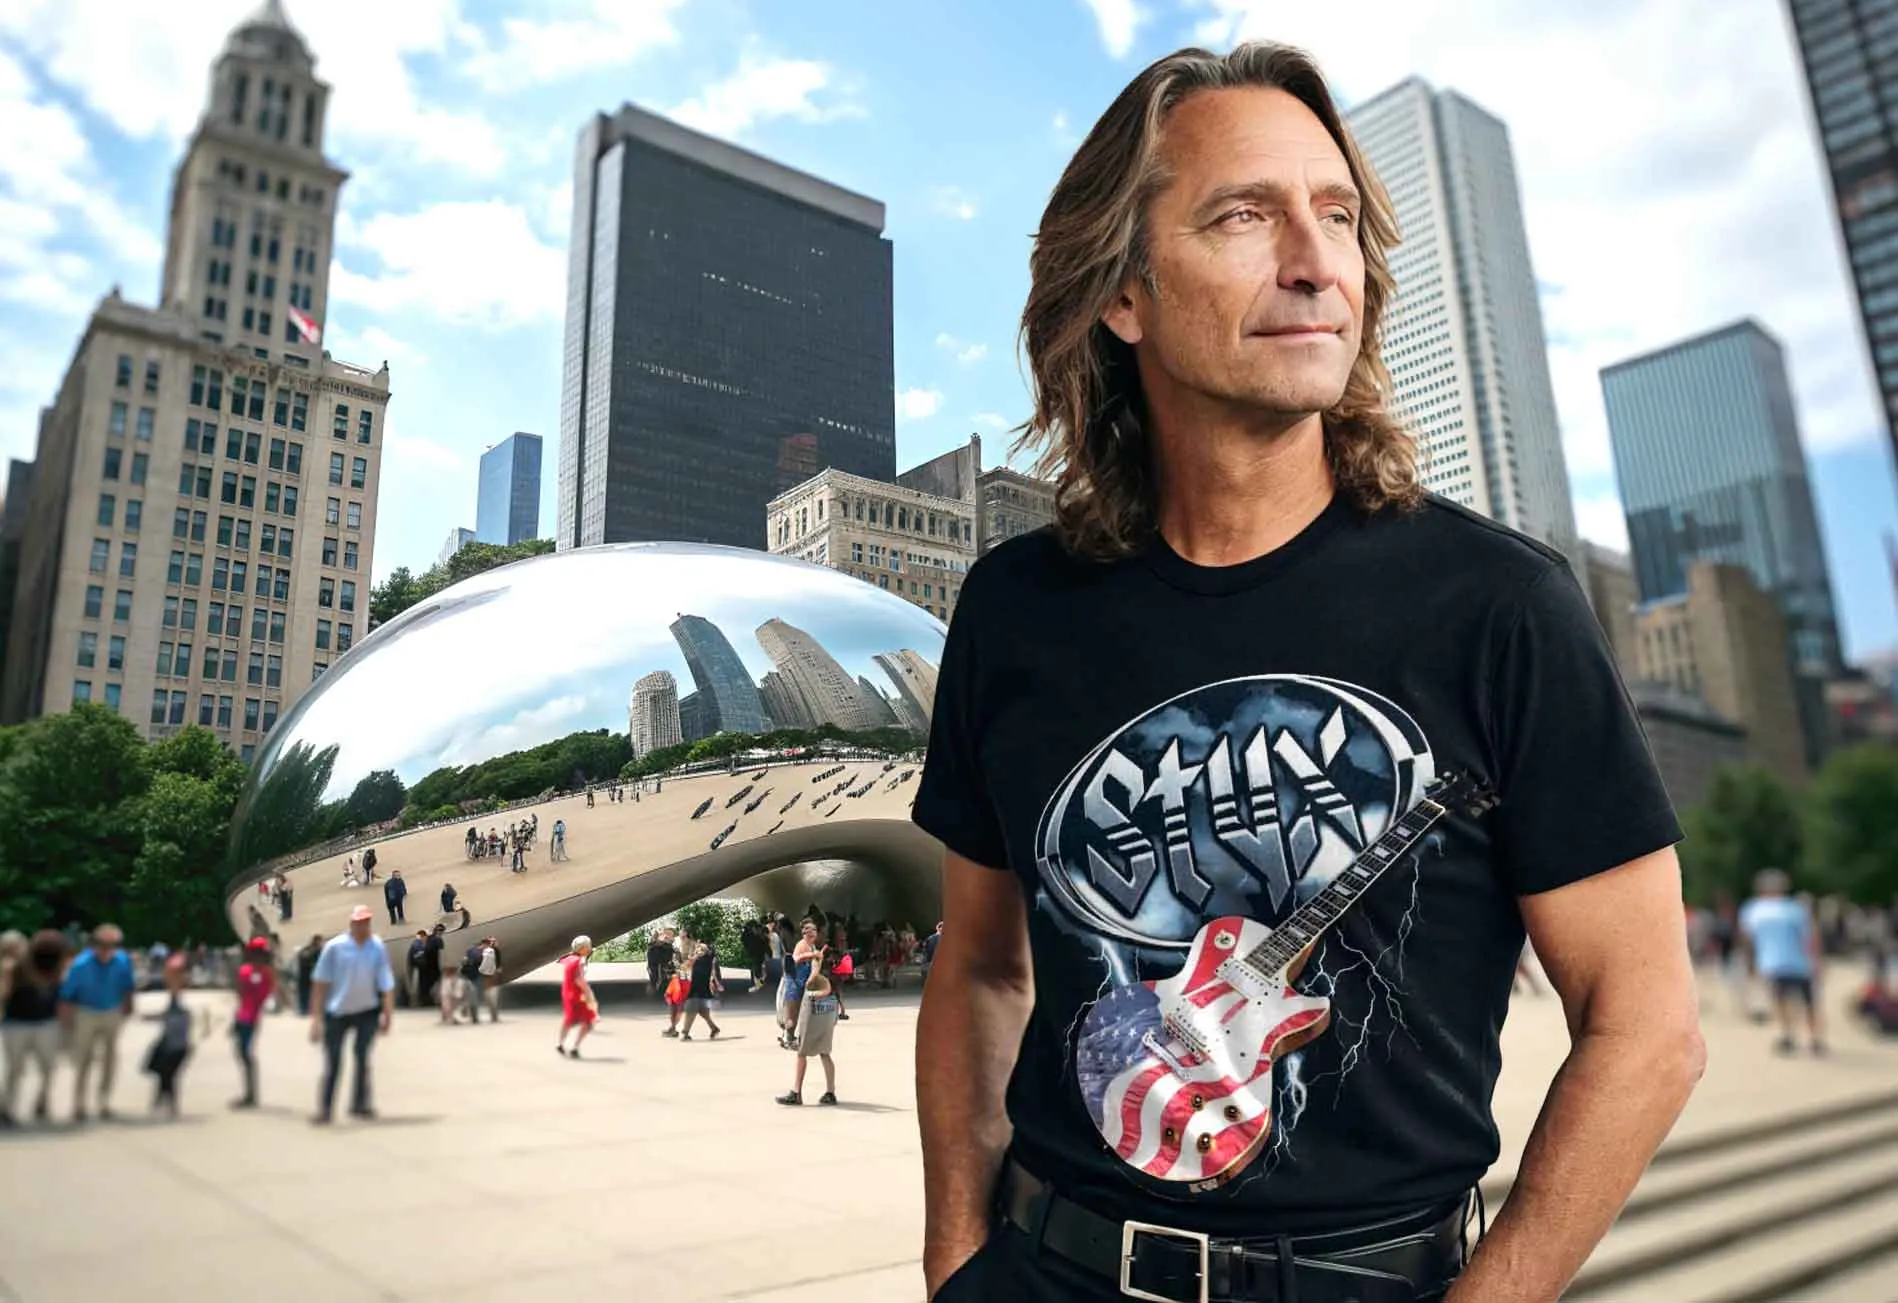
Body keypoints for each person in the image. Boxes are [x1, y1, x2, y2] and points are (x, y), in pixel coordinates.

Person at [910, 43, 1705, 1303]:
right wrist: (955, 1252)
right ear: (1122, 293)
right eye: (1243, 214)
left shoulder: (1497, 604)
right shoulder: (1014, 609)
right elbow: (982, 965)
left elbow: (1647, 1023)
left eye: (1333, 216)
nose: (1314, 260)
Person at [307, 904, 396, 1124]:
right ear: (351, 923)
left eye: (366, 921)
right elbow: (320, 983)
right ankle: (326, 1109)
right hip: (337, 1012)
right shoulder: (334, 947)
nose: (363, 926)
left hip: (367, 1010)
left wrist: (387, 1014)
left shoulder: (376, 946)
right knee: (334, 1061)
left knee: (362, 1058)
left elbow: (386, 982)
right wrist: (316, 1020)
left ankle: (359, 1104)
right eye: (359, 922)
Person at [1740, 869, 1826, 1056]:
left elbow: (1748, 940)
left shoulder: (1753, 910)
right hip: (1801, 963)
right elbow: (1810, 938)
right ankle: (1815, 1038)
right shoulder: (1795, 909)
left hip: (1771, 962)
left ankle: (1788, 1035)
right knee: (1809, 1002)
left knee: (1780, 1001)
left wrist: (1750, 965)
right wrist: (1817, 961)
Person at [57, 923, 137, 1123]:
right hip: (86, 1012)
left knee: (110, 1059)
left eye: (113, 944)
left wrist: (129, 1005)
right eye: (103, 944)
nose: (107, 949)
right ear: (95, 943)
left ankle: (104, 1102)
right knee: (83, 1060)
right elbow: (67, 995)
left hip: (112, 1011)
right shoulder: (80, 964)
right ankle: (79, 1105)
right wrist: (66, 1022)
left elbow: (128, 986)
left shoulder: (122, 961)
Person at [0, 930, 67, 1127]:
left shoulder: (50, 965)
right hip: (17, 1023)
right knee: (15, 1069)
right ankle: (7, 1108)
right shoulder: (10, 968)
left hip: (46, 1022)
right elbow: (3, 994)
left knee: (49, 1068)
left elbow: (59, 988)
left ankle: (42, 1103)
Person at [777, 969, 841, 1106]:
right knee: (825, 1054)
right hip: (827, 1023)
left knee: (801, 1054)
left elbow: (804, 1011)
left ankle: (796, 1093)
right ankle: (831, 1092)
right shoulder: (834, 996)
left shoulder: (812, 990)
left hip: (812, 1022)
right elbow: (836, 1016)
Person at [143, 953, 194, 1119]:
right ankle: (163, 1101)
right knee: (164, 1072)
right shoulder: (175, 998)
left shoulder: (181, 999)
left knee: (168, 1073)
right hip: (172, 1041)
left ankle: (168, 1103)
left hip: (177, 1043)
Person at [230, 935, 276, 1109]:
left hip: (248, 1017)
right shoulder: (262, 973)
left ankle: (250, 1094)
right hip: (247, 1016)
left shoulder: (253, 972)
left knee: (245, 1054)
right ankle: (250, 1092)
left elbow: (242, 993)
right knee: (244, 1054)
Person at [557, 936, 598, 1059]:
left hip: (567, 992)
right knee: (589, 1021)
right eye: (588, 947)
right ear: (583, 948)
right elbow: (579, 979)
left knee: (568, 1020)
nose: (590, 949)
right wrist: (589, 993)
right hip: (578, 994)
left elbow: (560, 963)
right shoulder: (579, 961)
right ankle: (574, 1047)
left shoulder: (567, 958)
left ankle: (560, 1043)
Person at [678, 941, 723, 1041]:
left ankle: (685, 1033)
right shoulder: (696, 960)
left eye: (702, 949)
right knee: (703, 1012)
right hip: (697, 988)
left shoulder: (707, 959)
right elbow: (684, 967)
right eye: (698, 949)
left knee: (691, 1009)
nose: (699, 950)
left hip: (700, 990)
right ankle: (714, 1028)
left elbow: (711, 962)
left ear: (707, 952)